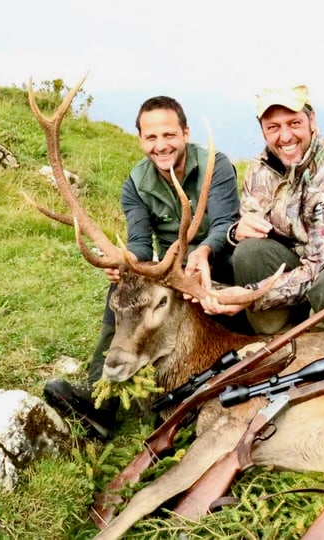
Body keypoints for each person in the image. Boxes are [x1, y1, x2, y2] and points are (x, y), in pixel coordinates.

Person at [44, 95, 241, 438]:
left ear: (185, 133)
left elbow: (226, 222)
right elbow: (138, 241)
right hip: (166, 271)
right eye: (151, 137)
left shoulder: (214, 165)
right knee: (123, 287)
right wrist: (128, 265)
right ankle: (101, 400)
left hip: (218, 261)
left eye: (169, 135)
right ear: (140, 140)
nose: (161, 145)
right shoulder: (135, 183)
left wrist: (204, 251)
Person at [198, 85, 324, 333]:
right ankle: (273, 339)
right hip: (295, 269)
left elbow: (319, 266)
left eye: (294, 123)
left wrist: (251, 294)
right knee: (249, 251)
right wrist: (236, 233)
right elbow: (249, 225)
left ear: (312, 120)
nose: (285, 137)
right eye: (273, 127)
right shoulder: (260, 169)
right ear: (263, 130)